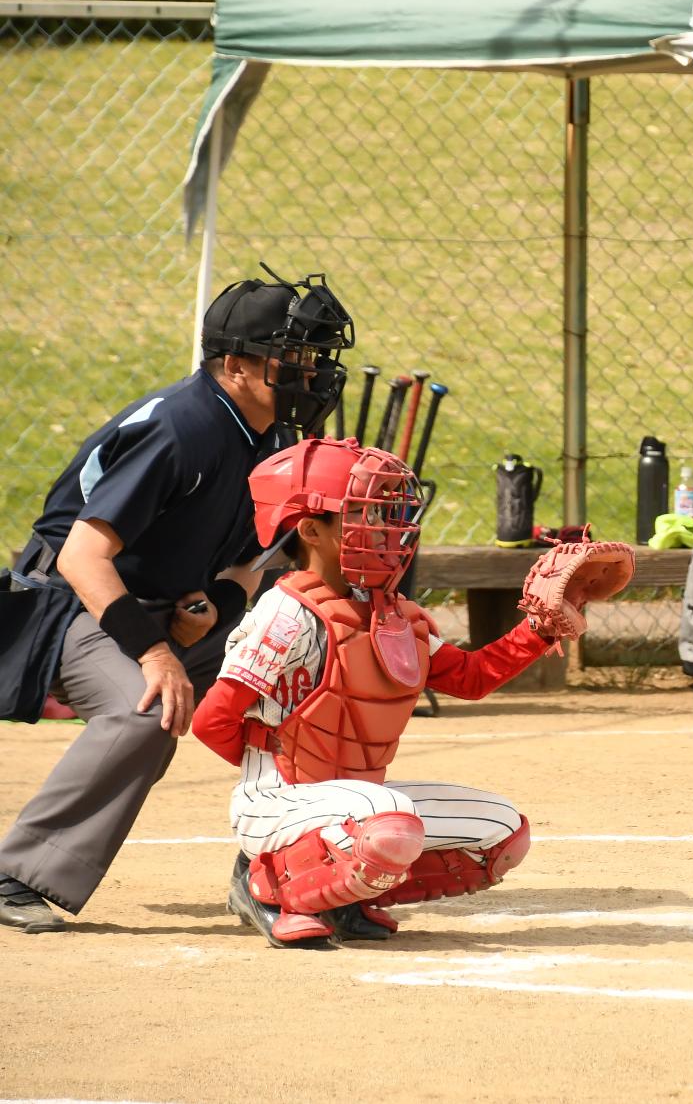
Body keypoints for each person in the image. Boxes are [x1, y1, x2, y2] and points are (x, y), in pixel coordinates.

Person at [0, 269, 351, 934]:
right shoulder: (182, 428)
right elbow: (81, 556)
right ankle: (15, 870)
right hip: (77, 604)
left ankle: (272, 870)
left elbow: (251, 561)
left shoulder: (272, 437)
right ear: (238, 365)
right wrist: (157, 649)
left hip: (167, 608)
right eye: (292, 356)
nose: (308, 372)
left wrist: (217, 603)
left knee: (308, 672)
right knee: (146, 712)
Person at [189, 438, 618, 947]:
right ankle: (268, 883)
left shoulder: (391, 613)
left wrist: (540, 629)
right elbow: (211, 721)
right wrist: (276, 761)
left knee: (502, 833)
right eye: (367, 515)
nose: (389, 529)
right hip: (279, 802)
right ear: (310, 530)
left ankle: (345, 896)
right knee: (389, 822)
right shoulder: (285, 614)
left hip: (358, 806)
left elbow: (471, 678)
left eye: (392, 513)